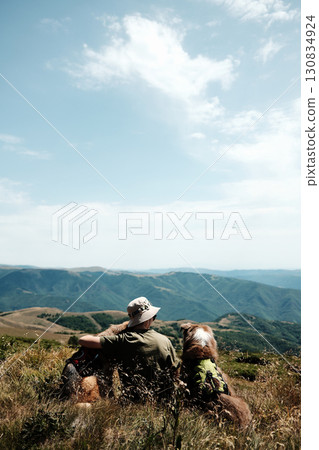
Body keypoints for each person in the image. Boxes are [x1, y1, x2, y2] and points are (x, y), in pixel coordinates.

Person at [79, 297, 179, 401]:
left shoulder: (123, 340)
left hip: (132, 401)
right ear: (149, 319)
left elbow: (83, 340)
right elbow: (175, 372)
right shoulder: (165, 341)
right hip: (162, 402)